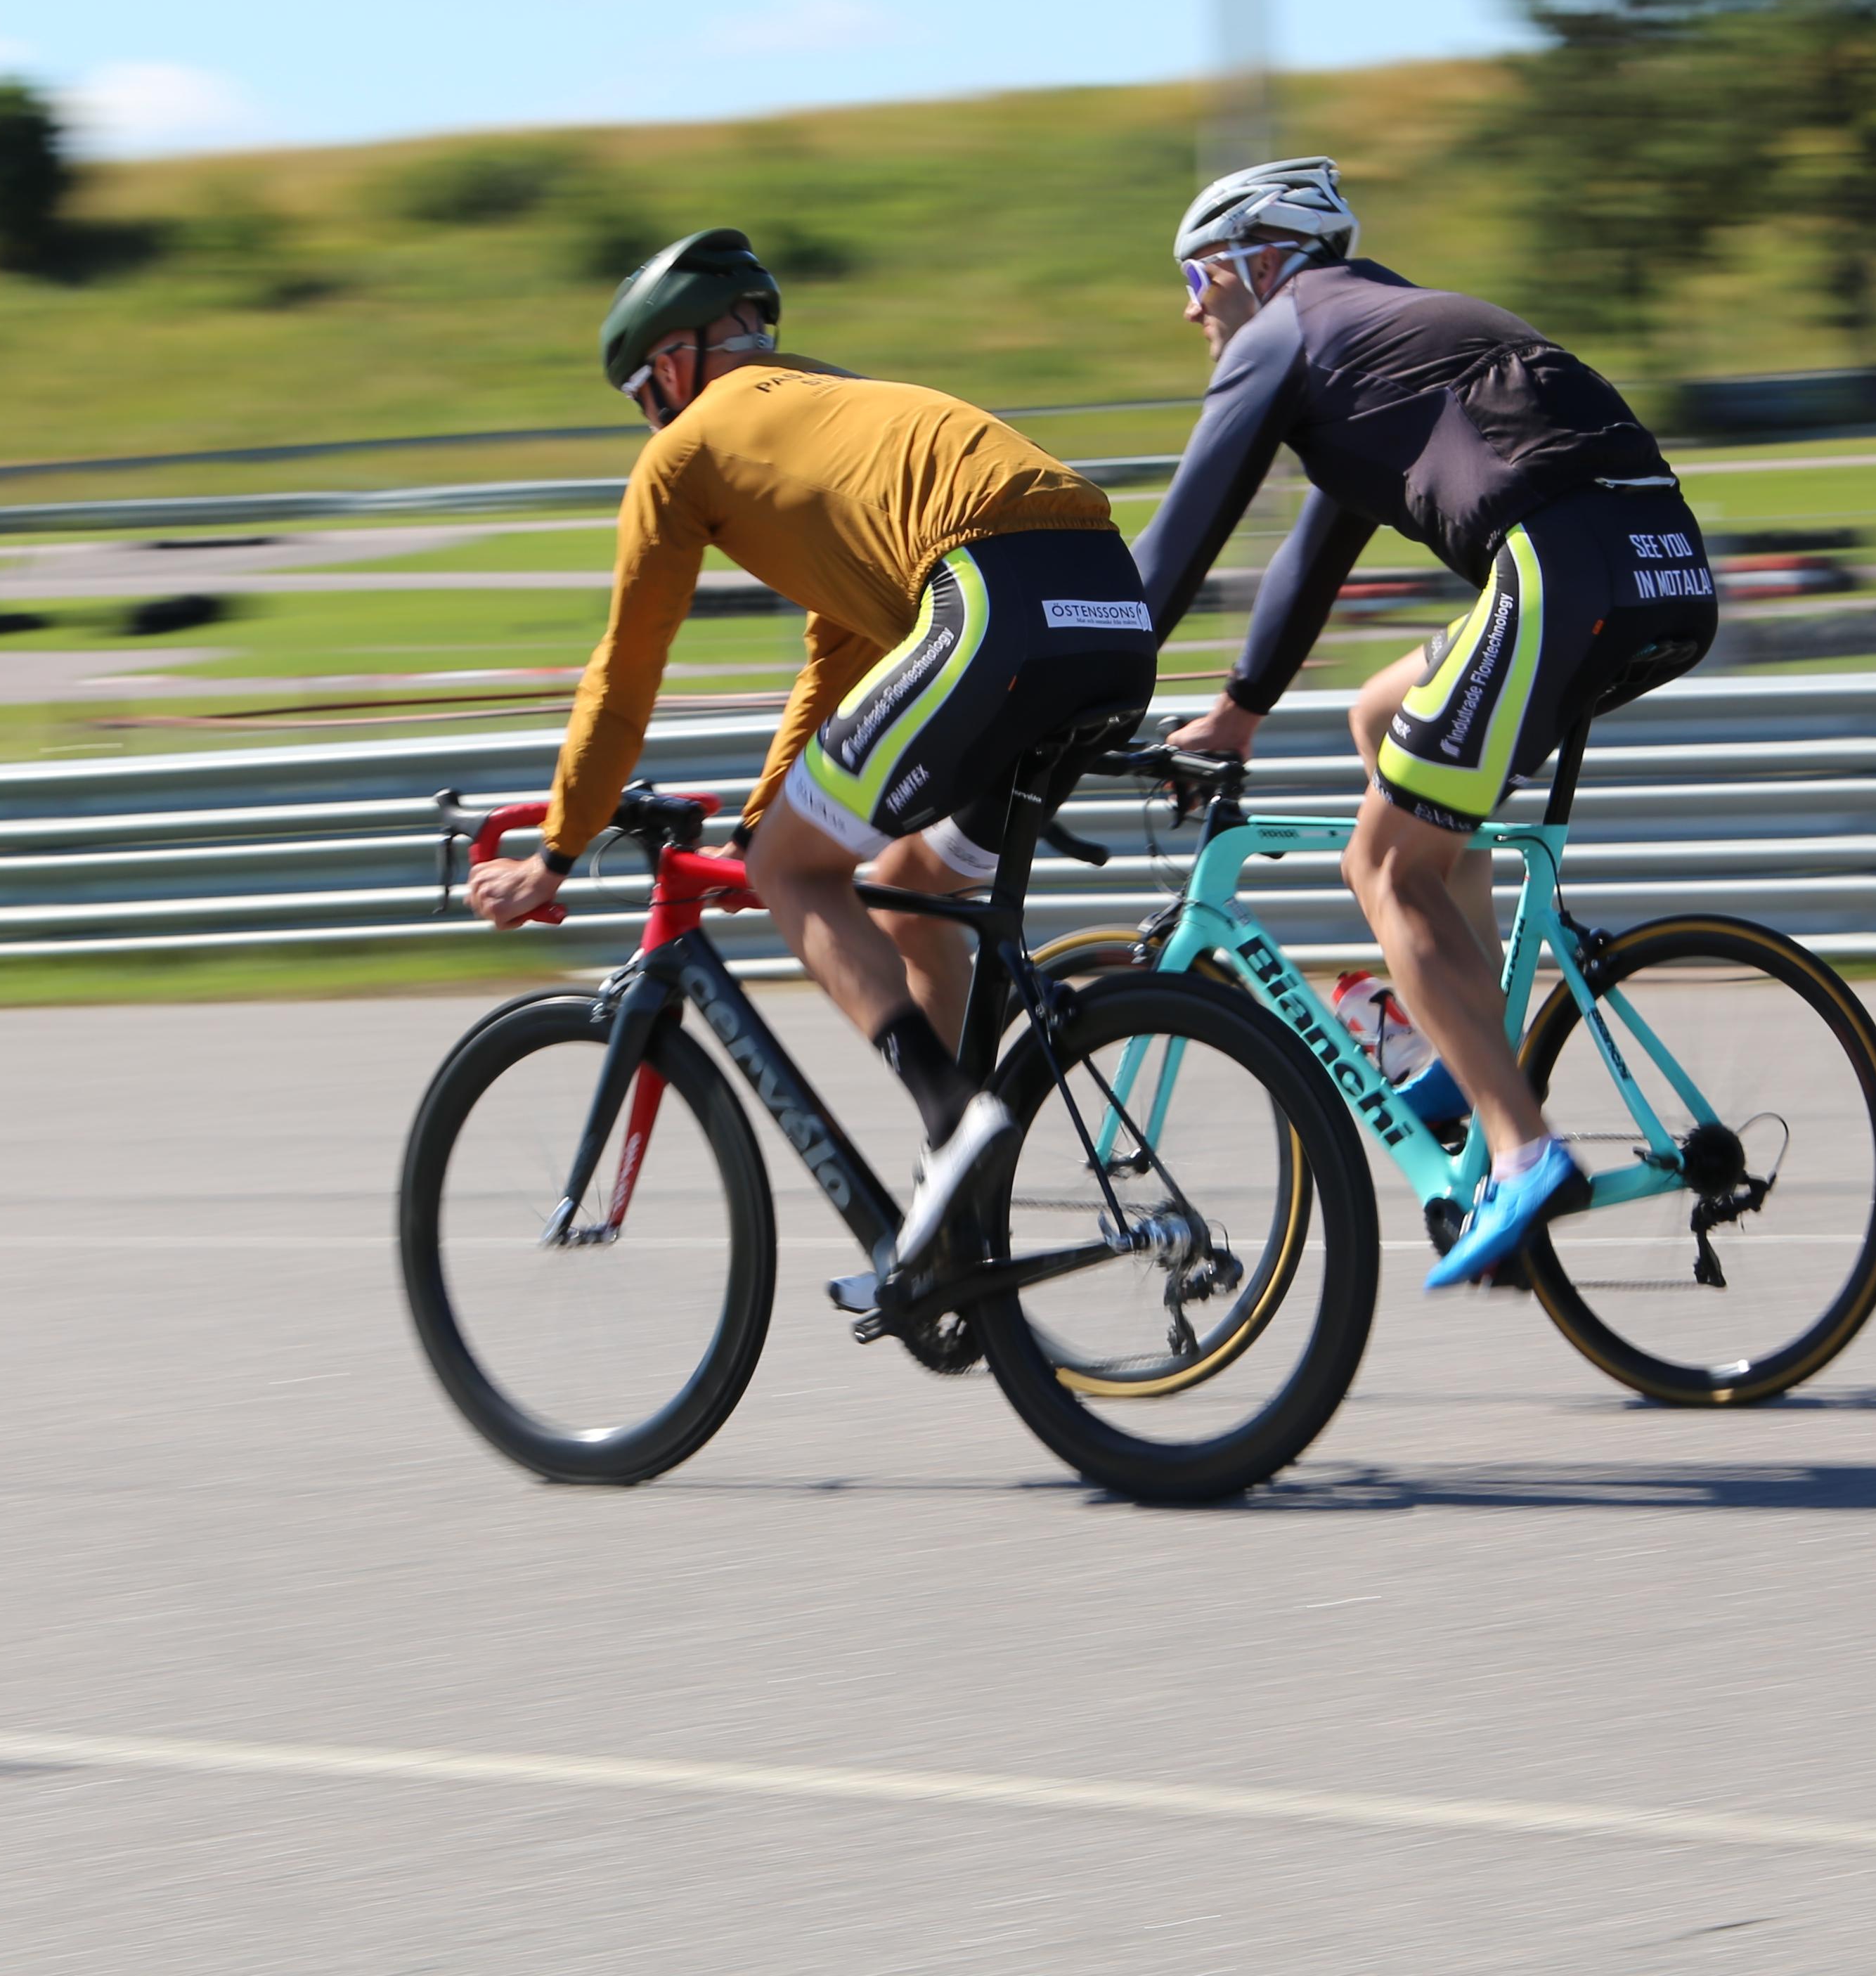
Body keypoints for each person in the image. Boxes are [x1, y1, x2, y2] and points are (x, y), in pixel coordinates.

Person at [467, 228, 1158, 1298]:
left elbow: (625, 670)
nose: (648, 415)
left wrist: (558, 851)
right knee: (911, 888)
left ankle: (954, 1119)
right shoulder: (837, 410)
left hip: (995, 601)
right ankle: (956, 1214)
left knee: (800, 871)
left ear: (675, 363)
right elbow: (839, 654)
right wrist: (764, 821)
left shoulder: (685, 451)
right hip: (1112, 611)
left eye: (641, 392)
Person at [1132, 159, 1719, 1291]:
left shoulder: (1287, 331)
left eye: (1200, 278)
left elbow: (1173, 550)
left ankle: (1523, 1150)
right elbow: (1312, 557)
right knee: (1382, 713)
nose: (1191, 309)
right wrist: (1241, 711)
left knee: (1381, 867)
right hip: (1668, 570)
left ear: (1261, 260)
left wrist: (1074, 681)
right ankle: (1459, 1035)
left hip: (1564, 571)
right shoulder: (1379, 337)